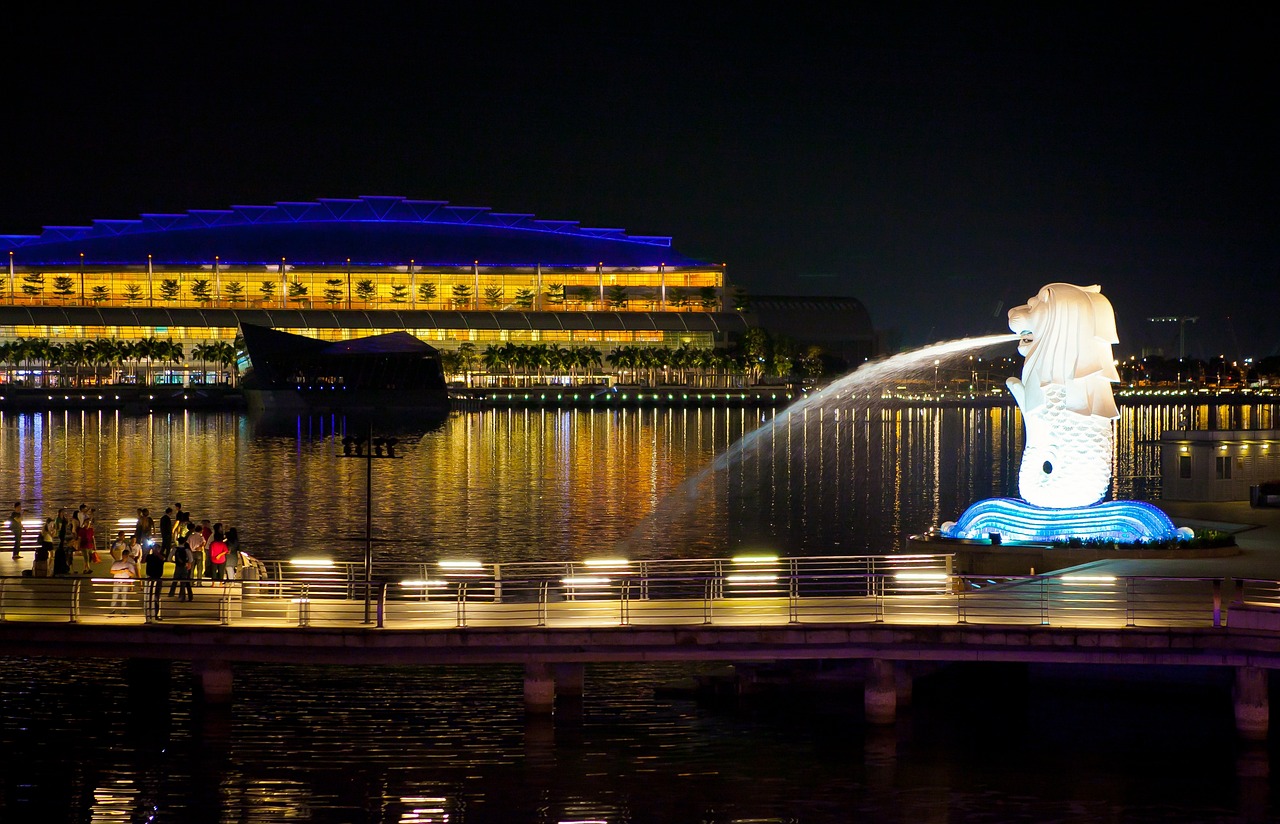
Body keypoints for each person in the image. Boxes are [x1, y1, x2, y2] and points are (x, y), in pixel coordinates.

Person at [109, 548, 138, 615]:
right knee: (114, 596)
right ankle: (112, 610)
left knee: (124, 597)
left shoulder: (130, 564)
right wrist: (121, 571)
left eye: (126, 555)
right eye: (124, 555)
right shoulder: (116, 563)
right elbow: (111, 571)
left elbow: (132, 574)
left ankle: (123, 611)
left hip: (125, 582)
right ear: (122, 555)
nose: (125, 557)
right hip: (117, 582)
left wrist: (128, 571)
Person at [144, 542, 166, 621]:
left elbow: (163, 559)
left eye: (157, 548)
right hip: (150, 578)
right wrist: (148, 550)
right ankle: (149, 614)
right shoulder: (150, 556)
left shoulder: (161, 556)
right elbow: (143, 560)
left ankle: (155, 614)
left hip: (158, 578)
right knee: (149, 597)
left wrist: (157, 553)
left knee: (156, 597)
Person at [171, 534, 194, 602]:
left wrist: (174, 562)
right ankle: (182, 596)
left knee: (175, 580)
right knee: (184, 582)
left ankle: (172, 593)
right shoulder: (187, 550)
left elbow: (169, 558)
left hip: (178, 566)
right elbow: (191, 559)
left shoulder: (175, 549)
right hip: (185, 566)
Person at [52, 508, 71, 576]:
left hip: (64, 532)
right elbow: (58, 527)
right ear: (59, 513)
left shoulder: (64, 519)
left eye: (64, 512)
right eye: (62, 512)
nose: (63, 513)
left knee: (63, 543)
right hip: (60, 533)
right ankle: (60, 550)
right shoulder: (58, 519)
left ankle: (62, 550)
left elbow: (67, 524)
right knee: (61, 543)